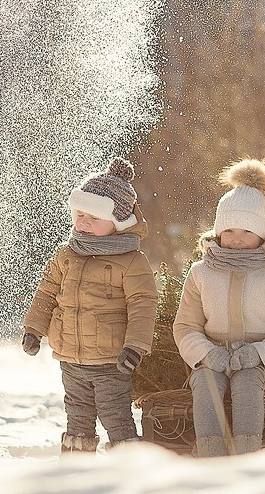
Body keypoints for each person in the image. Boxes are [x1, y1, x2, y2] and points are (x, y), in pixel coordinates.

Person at [172, 159, 265, 457]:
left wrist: (259, 355)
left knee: (248, 380)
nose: (236, 239)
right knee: (205, 382)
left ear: (262, 233)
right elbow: (186, 326)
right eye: (229, 230)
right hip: (214, 359)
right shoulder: (201, 273)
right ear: (217, 231)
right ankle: (211, 452)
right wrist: (208, 354)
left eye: (247, 232)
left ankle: (247, 453)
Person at [21, 158, 158, 453]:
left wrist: (135, 346)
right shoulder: (66, 255)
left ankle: (131, 472)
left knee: (116, 417)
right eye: (79, 214)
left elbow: (142, 305)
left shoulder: (132, 262)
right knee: (77, 418)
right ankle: (76, 472)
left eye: (93, 218)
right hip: (71, 358)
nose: (83, 222)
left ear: (119, 222)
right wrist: (34, 329)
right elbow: (46, 293)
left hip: (111, 361)